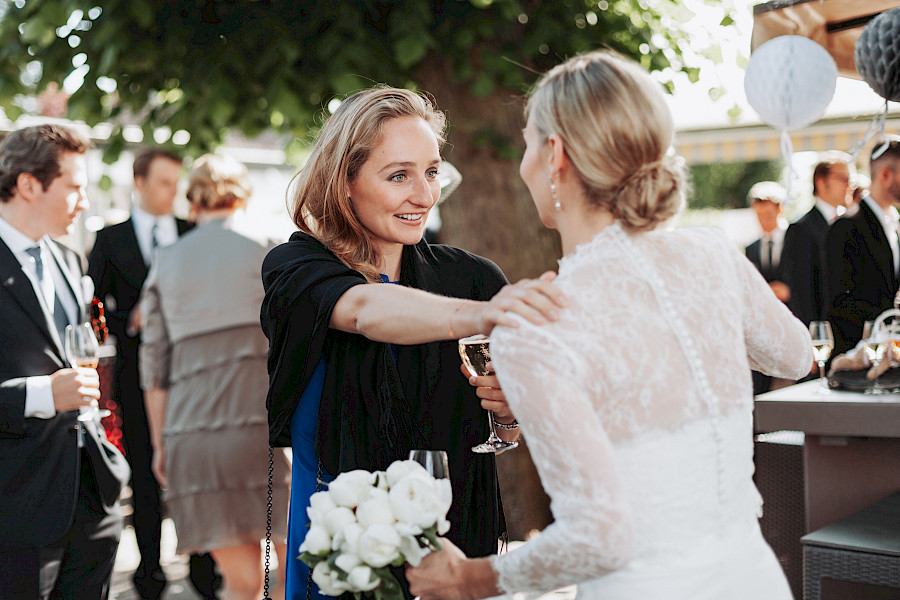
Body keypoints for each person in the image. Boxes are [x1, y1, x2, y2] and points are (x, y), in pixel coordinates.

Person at [406, 50, 812, 600]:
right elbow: (794, 356)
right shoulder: (711, 255)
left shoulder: (538, 326)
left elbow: (601, 537)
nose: (521, 162)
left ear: (556, 156)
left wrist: (469, 578)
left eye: (528, 142)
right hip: (753, 579)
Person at [260, 86, 567, 600]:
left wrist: (511, 413)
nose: (423, 195)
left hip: (456, 551)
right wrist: (484, 315)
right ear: (345, 181)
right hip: (349, 556)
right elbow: (366, 309)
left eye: (431, 172)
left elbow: (507, 428)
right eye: (398, 175)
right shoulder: (297, 268)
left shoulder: (471, 276)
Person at [140, 154, 291, 600]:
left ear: (194, 201)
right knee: (294, 578)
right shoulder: (270, 248)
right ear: (242, 195)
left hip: (194, 436)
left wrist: (159, 443)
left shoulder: (165, 261)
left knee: (242, 584)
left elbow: (154, 369)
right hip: (268, 434)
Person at [0, 124, 130, 599]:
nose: (84, 201)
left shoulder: (70, 260)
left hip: (93, 493)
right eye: (74, 187)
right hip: (15, 504)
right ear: (29, 185)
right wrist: (42, 394)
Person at [88, 148, 219, 599]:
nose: (173, 192)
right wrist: (131, 317)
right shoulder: (109, 239)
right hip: (137, 379)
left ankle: (203, 567)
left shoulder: (192, 231)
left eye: (176, 183)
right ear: (139, 183)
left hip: (197, 376)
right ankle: (150, 572)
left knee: (196, 470)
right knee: (145, 471)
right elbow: (95, 311)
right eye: (164, 182)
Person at [826, 136, 900, 357]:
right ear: (885, 174)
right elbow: (840, 302)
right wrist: (891, 320)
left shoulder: (894, 224)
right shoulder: (846, 226)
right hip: (857, 357)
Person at [781, 151, 853, 327]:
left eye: (850, 179)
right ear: (821, 181)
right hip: (822, 337)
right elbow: (802, 295)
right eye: (842, 178)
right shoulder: (801, 229)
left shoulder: (851, 225)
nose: (848, 185)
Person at [745, 181, 790, 394]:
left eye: (768, 215)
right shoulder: (751, 249)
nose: (764, 221)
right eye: (759, 216)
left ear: (780, 210)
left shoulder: (796, 241)